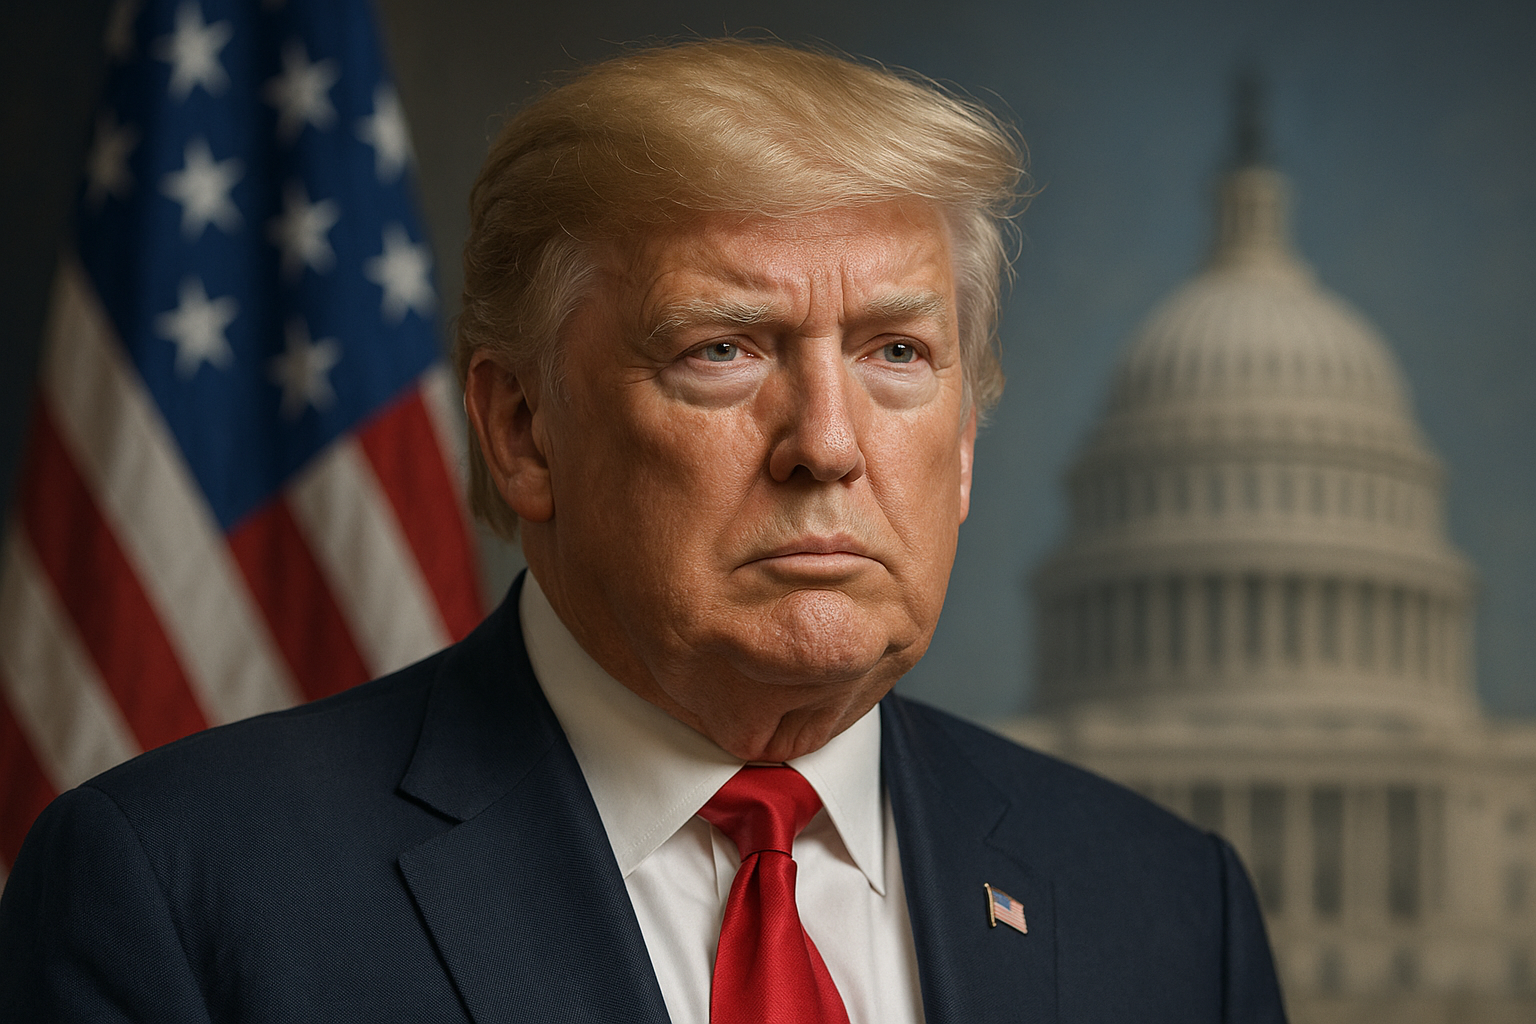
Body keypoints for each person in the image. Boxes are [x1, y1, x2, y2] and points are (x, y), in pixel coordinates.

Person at [0, 39, 1287, 1023]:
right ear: (522, 430)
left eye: (897, 352)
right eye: (723, 348)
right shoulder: (180, 891)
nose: (828, 443)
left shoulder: (1171, 911)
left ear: (961, 446)